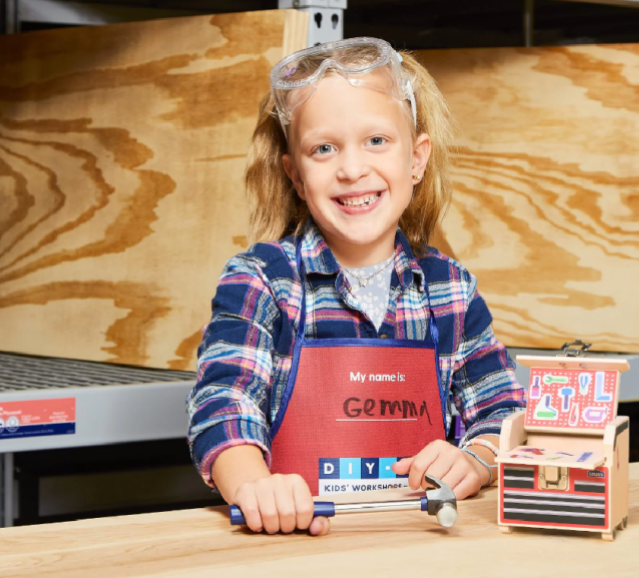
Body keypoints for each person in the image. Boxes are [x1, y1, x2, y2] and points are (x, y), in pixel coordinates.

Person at [186, 37, 526, 537]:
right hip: (294, 545)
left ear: (416, 159)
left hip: (423, 545)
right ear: (296, 176)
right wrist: (254, 487)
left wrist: (476, 460)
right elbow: (223, 403)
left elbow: (505, 412)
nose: (351, 169)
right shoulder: (262, 281)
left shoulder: (451, 290)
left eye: (376, 141)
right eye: (323, 149)